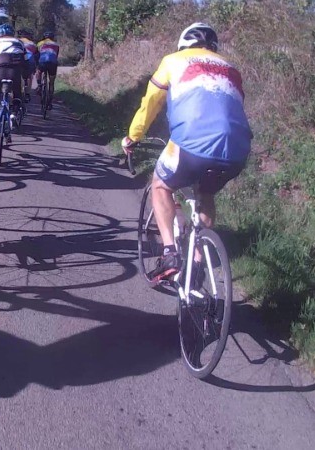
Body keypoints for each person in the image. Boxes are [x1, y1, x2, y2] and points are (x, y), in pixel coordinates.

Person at [121, 23, 252, 284]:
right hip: (238, 148)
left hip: (192, 142)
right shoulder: (232, 69)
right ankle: (197, 263)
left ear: (183, 45)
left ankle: (170, 253)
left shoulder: (173, 61)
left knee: (160, 185)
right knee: (206, 194)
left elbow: (150, 104)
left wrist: (133, 137)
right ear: (213, 47)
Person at [0, 23, 26, 141]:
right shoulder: (19, 42)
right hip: (15, 71)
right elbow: (27, 59)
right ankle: (14, 113)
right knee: (18, 93)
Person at [36, 31, 60, 109]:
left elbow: (37, 54)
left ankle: (39, 85)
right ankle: (49, 102)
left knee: (38, 72)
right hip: (53, 63)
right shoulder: (56, 45)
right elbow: (56, 55)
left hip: (42, 62)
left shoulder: (40, 43)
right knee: (51, 83)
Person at [17, 28, 38, 102]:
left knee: (17, 75)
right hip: (30, 60)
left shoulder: (17, 41)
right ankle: (27, 94)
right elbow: (36, 55)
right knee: (29, 76)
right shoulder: (32, 44)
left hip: (19, 60)